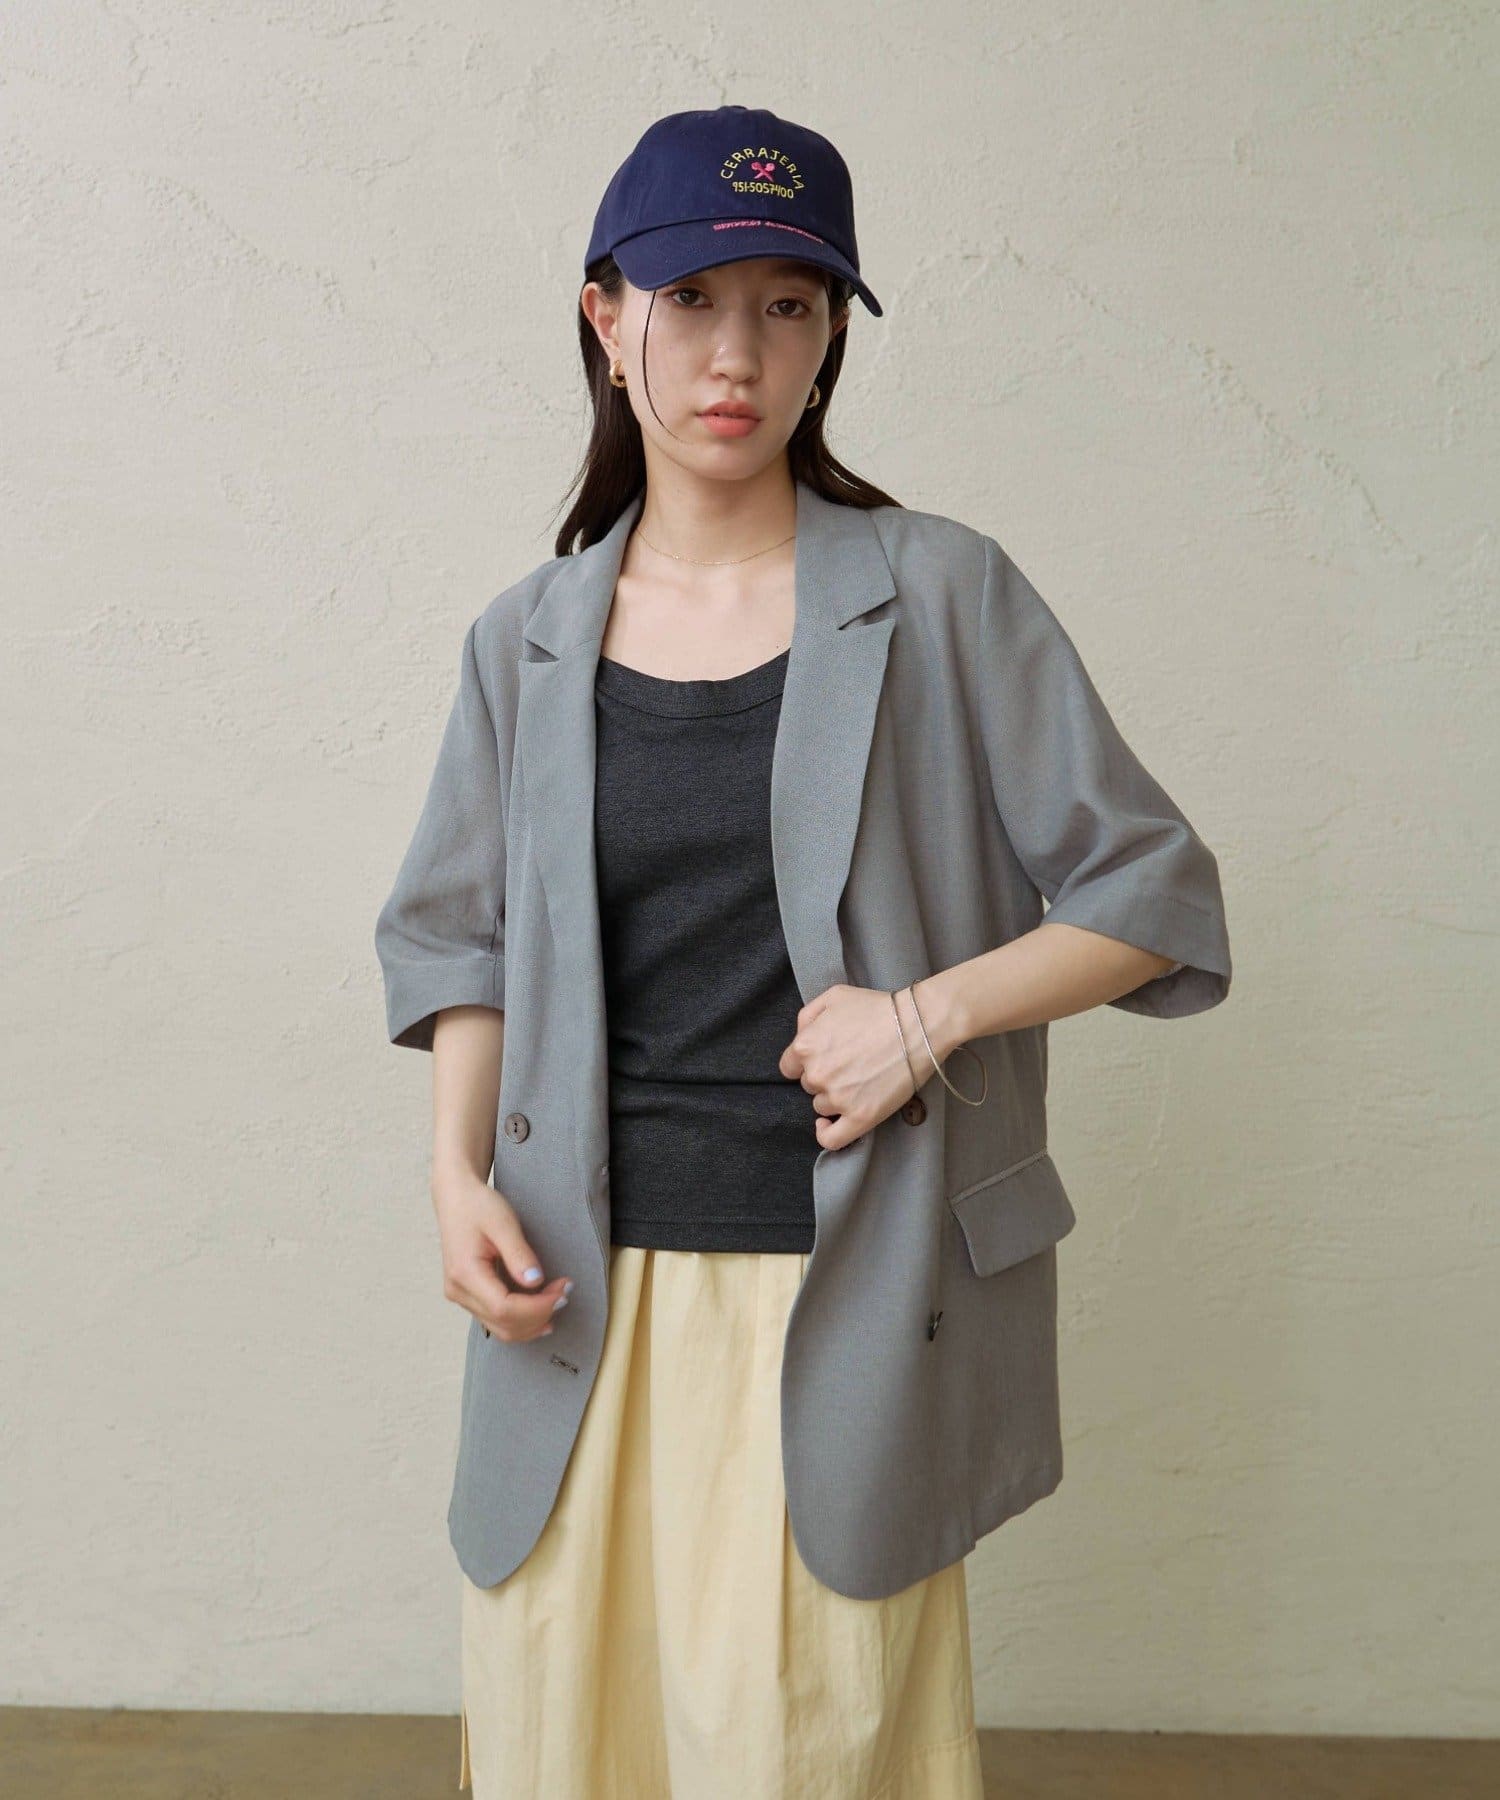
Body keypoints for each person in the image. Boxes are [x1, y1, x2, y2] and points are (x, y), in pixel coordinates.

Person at [375, 102, 1228, 1798]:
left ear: (831, 335)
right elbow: (460, 938)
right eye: (693, 300)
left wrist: (928, 1016)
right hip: (576, 1295)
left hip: (847, 1287)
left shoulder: (944, 594)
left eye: (790, 305)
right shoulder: (526, 639)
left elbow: (1155, 892)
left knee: (807, 1750)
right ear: (606, 317)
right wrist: (452, 1174)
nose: (738, 355)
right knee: (562, 1749)